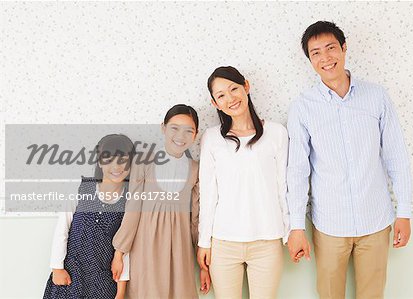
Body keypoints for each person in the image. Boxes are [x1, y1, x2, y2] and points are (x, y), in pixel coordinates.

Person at [286, 21, 412, 299]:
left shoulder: (377, 96)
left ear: (344, 48)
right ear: (310, 60)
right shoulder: (302, 107)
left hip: (376, 221)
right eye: (316, 52)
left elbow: (397, 156)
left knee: (372, 295)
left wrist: (404, 211)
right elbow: (296, 171)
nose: (325, 58)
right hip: (329, 224)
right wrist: (296, 227)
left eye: (331, 48)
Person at [197, 66, 289, 299]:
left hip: (267, 240)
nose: (230, 98)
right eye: (221, 96)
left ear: (246, 86)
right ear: (215, 103)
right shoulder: (211, 138)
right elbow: (208, 195)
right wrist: (204, 242)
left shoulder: (277, 133)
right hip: (223, 243)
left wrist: (291, 232)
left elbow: (283, 188)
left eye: (234, 89)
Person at [111, 104, 210, 298]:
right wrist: (119, 252)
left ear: (196, 134)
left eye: (188, 130)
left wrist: (203, 264)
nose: (180, 136)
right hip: (146, 248)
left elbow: (195, 217)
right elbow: (133, 209)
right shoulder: (143, 162)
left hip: (179, 252)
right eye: (174, 128)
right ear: (163, 128)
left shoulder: (195, 168)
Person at [43, 134, 135, 299]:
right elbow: (62, 229)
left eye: (122, 160)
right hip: (70, 274)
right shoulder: (82, 189)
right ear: (100, 161)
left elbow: (125, 248)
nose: (116, 166)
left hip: (102, 281)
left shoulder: (129, 200)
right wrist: (56, 267)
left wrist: (121, 292)